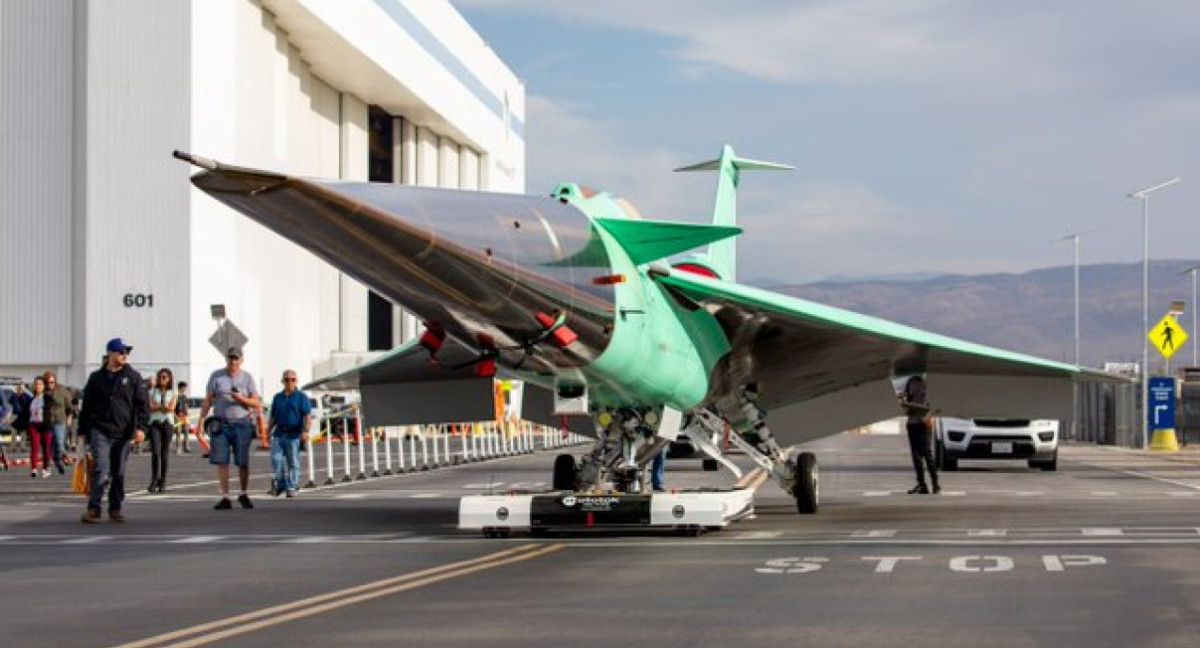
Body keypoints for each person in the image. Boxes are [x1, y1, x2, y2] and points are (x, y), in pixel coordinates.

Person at [78, 338, 149, 523]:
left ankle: (115, 507)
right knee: (101, 469)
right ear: (110, 354)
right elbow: (86, 406)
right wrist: (82, 432)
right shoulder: (96, 377)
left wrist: (141, 428)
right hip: (99, 429)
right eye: (121, 352)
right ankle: (94, 508)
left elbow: (142, 405)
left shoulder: (133, 377)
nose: (125, 355)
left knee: (118, 471)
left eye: (126, 352)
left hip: (123, 432)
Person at [199, 347, 261, 510]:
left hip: (241, 424)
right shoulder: (216, 376)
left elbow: (256, 402)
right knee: (222, 460)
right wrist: (201, 420)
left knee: (242, 462)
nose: (233, 361)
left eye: (236, 359)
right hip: (221, 424)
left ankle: (243, 493)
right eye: (230, 358)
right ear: (226, 359)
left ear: (241, 360)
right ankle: (225, 497)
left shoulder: (247, 378)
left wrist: (240, 398)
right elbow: (208, 400)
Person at [266, 369, 312, 498]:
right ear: (282, 381)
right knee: (276, 460)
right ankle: (281, 484)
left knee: (293, 462)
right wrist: (267, 431)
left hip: (294, 434)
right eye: (287, 379)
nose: (289, 382)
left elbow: (308, 416)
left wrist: (306, 431)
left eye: (292, 379)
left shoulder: (301, 397)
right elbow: (273, 417)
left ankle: (291, 486)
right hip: (279, 433)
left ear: (296, 381)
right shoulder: (277, 397)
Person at [899, 375, 939, 495]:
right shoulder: (910, 381)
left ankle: (935, 484)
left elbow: (934, 404)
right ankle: (922, 484)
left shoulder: (928, 382)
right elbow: (904, 398)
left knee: (927, 454)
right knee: (917, 456)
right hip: (912, 423)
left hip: (923, 423)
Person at [146, 368, 177, 492]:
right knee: (155, 452)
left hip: (167, 423)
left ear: (169, 379)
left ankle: (163, 481)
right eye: (160, 377)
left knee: (164, 453)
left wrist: (159, 407)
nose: (162, 379)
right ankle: (154, 479)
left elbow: (171, 408)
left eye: (164, 377)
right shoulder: (152, 391)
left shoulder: (173, 392)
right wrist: (162, 407)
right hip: (155, 423)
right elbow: (151, 407)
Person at [42, 371, 71, 474]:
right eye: (48, 382)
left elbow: (69, 406)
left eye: (52, 382)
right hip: (46, 421)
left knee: (59, 443)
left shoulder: (62, 390)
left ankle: (58, 459)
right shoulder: (42, 391)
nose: (50, 384)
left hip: (59, 420)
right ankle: (52, 462)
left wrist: (69, 417)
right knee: (48, 445)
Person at [27, 377, 53, 478]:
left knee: (46, 449)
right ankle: (33, 469)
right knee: (34, 446)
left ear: (44, 386)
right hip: (34, 424)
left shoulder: (47, 398)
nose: (38, 386)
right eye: (36, 384)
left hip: (46, 425)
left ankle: (45, 468)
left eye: (40, 384)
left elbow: (51, 408)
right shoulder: (31, 399)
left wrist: (42, 410)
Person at [174, 381, 192, 454]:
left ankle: (186, 447)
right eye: (184, 387)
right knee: (178, 433)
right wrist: (175, 416)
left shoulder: (185, 397)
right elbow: (173, 408)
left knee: (186, 432)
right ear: (181, 387)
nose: (185, 389)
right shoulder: (176, 396)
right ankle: (178, 448)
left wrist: (187, 413)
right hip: (178, 416)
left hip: (185, 417)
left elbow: (186, 406)